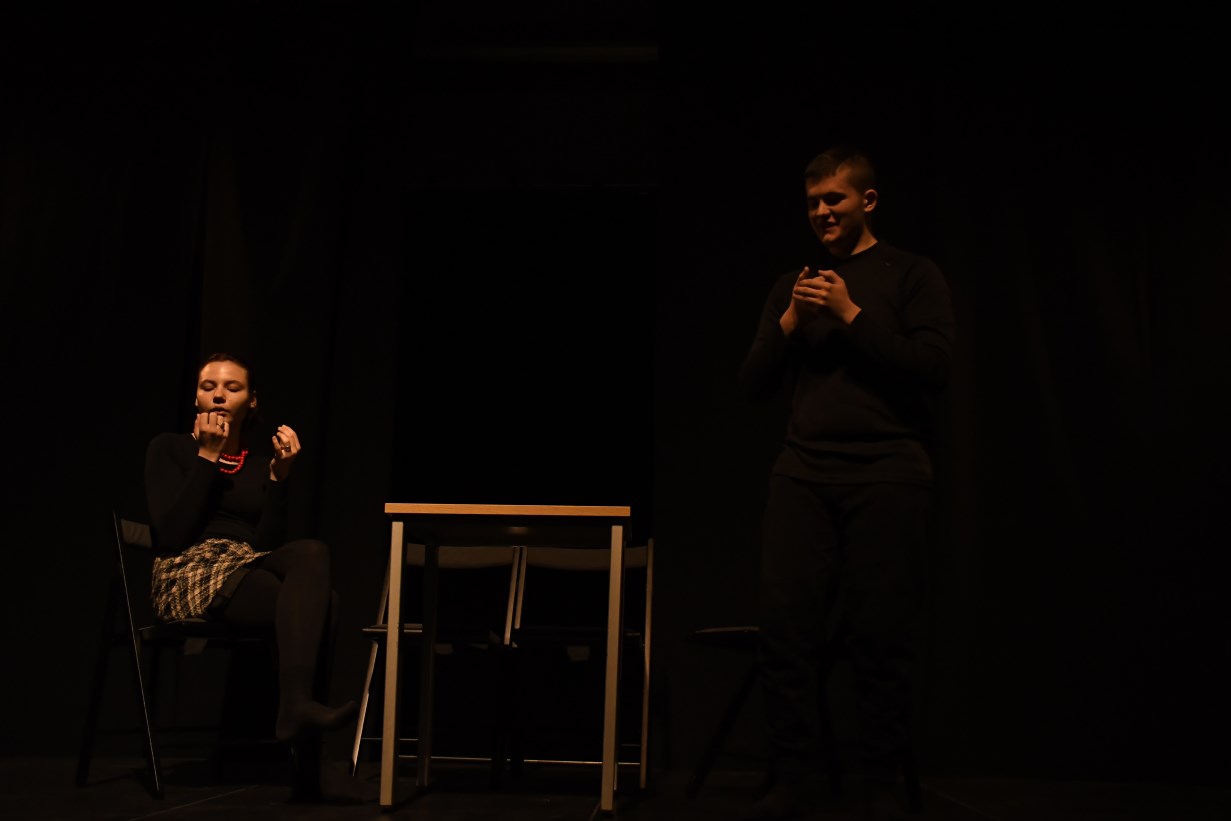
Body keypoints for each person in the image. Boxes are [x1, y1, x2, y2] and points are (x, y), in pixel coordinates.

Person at [738, 146, 955, 821]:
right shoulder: (794, 284)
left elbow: (932, 367)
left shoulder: (910, 274)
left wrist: (851, 313)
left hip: (888, 473)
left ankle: (879, 785)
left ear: (867, 200)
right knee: (786, 633)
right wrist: (791, 321)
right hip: (803, 473)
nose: (822, 212)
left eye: (834, 198)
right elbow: (751, 385)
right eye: (813, 202)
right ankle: (795, 780)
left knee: (879, 634)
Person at [144, 351, 357, 800]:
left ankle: (295, 708)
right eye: (208, 387)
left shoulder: (258, 463)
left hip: (244, 563)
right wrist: (207, 456)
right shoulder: (169, 448)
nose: (219, 395)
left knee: (313, 555)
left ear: (252, 401)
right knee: (324, 606)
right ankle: (311, 765)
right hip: (190, 569)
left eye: (232, 387)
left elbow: (266, 545)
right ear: (197, 398)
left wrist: (279, 478)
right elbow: (171, 534)